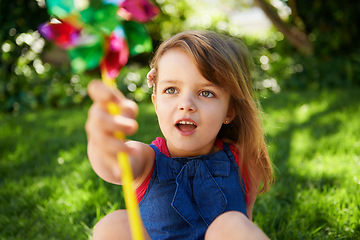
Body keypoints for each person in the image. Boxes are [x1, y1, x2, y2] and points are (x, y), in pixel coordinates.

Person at [85, 30, 274, 240]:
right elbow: (113, 163)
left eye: (206, 93)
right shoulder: (146, 161)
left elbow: (245, 224)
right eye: (172, 90)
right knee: (113, 224)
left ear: (229, 111)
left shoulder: (244, 160)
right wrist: (101, 140)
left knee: (232, 223)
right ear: (155, 102)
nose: (186, 105)